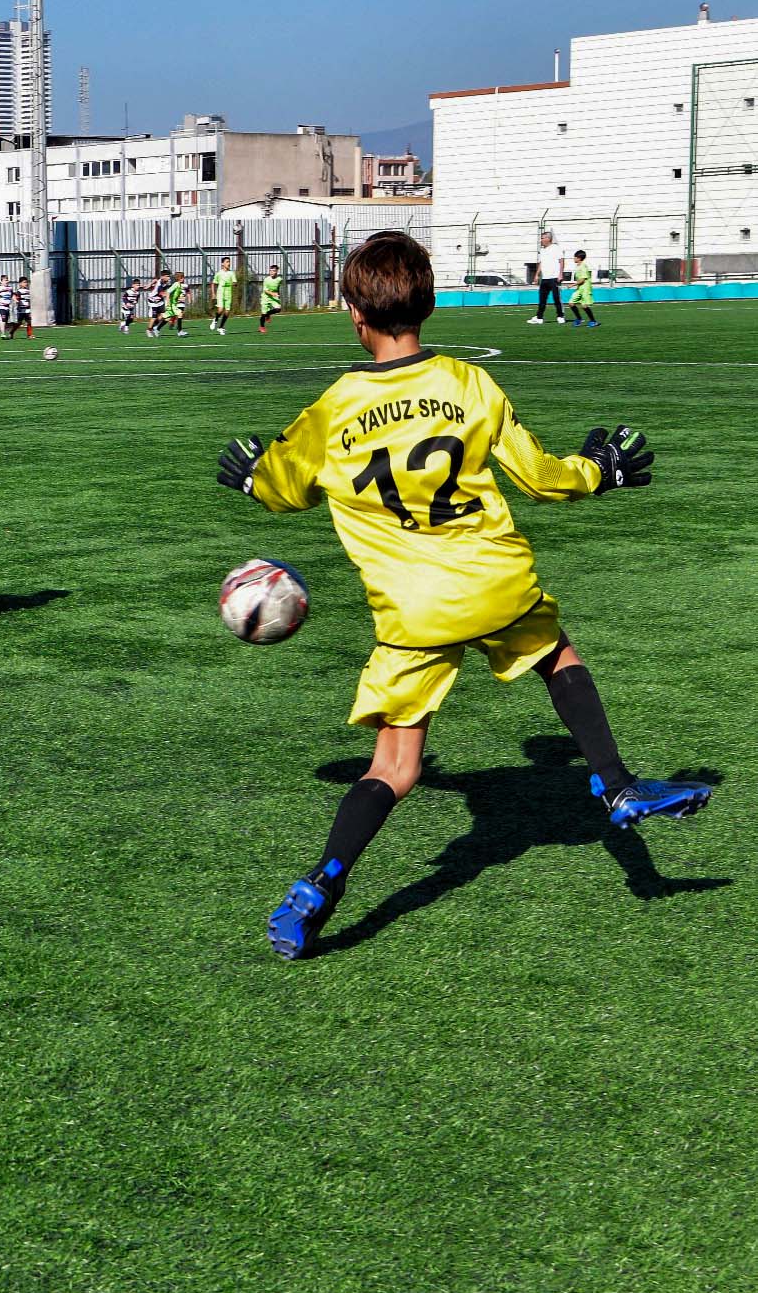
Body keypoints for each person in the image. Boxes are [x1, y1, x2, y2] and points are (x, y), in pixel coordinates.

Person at [216, 231, 710, 961]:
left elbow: (282, 491)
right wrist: (601, 470)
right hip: (493, 579)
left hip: (413, 613)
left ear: (353, 312)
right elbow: (541, 475)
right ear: (431, 302)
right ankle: (614, 783)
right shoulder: (467, 384)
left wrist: (253, 474)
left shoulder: (334, 407)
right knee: (553, 653)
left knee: (394, 768)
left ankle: (319, 887)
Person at [531, 230, 568, 325]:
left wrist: (560, 274)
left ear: (548, 238)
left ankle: (560, 316)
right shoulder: (542, 250)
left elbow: (561, 261)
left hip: (554, 277)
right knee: (542, 299)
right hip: (545, 278)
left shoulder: (556, 248)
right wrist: (537, 275)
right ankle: (539, 317)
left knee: (556, 298)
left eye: (543, 238)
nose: (541, 240)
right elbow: (541, 263)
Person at [567, 250, 599, 328]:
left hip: (585, 289)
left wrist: (572, 285)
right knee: (571, 303)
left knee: (584, 306)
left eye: (575, 257)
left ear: (579, 258)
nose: (573, 259)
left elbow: (582, 280)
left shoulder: (583, 266)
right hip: (579, 288)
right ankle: (579, 319)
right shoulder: (578, 266)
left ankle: (593, 321)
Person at [212, 255, 239, 335]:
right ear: (222, 264)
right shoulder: (219, 273)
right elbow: (213, 283)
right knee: (220, 309)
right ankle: (215, 320)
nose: (229, 263)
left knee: (227, 312)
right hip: (220, 293)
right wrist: (213, 294)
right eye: (227, 262)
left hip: (228, 293)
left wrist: (234, 283)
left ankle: (221, 327)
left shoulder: (231, 273)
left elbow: (235, 282)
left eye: (229, 262)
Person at [8, 275, 35, 340]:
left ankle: (29, 335)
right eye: (24, 282)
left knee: (29, 322)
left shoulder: (28, 291)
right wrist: (17, 300)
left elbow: (29, 300)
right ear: (20, 283)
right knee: (19, 323)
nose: (26, 283)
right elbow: (15, 296)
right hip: (21, 310)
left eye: (26, 282)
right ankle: (11, 332)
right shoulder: (19, 291)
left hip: (27, 310)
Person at [258, 265, 283, 333]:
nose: (271, 272)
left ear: (277, 271)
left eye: (273, 271)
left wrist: (278, 293)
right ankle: (262, 326)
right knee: (263, 314)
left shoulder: (279, 279)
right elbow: (265, 290)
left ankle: (268, 314)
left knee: (278, 309)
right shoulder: (266, 279)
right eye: (270, 270)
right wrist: (273, 294)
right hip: (265, 297)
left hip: (274, 297)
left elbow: (278, 287)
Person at [167, 271, 189, 337]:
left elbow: (186, 292)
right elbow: (168, 292)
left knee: (174, 316)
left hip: (179, 304)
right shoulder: (176, 284)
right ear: (178, 278)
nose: (183, 279)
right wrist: (168, 302)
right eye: (181, 278)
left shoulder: (182, 285)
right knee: (178, 315)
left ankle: (157, 328)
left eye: (183, 277)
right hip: (175, 304)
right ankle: (179, 331)